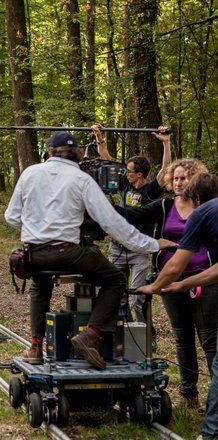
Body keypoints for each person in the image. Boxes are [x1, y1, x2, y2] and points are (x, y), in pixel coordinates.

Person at [4, 131, 175, 369]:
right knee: (115, 279)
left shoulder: (30, 173)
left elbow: (12, 217)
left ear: (50, 151)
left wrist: (38, 227)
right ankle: (91, 334)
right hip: (70, 252)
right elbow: (112, 223)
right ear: (78, 154)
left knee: (39, 286)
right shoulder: (82, 179)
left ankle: (35, 346)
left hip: (36, 253)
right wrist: (152, 244)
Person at [115, 159, 212, 409]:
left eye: (184, 178)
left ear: (195, 180)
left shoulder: (206, 207)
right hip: (169, 279)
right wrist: (103, 207)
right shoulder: (164, 205)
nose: (179, 183)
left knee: (209, 339)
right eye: (176, 178)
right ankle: (189, 394)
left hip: (205, 279)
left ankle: (215, 398)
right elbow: (133, 215)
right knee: (182, 337)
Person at [137, 173, 218, 440]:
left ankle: (210, 431)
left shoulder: (202, 214)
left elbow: (175, 265)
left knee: (215, 354)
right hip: (193, 284)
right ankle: (193, 398)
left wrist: (154, 286)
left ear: (195, 198)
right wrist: (180, 286)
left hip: (198, 287)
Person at [93, 124, 172, 325]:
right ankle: (125, 333)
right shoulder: (124, 184)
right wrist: (99, 137)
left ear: (139, 174)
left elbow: (165, 171)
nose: (126, 173)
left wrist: (166, 143)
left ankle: (145, 334)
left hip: (138, 250)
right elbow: (107, 161)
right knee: (119, 297)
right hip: (117, 247)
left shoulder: (150, 191)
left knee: (139, 297)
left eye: (129, 171)